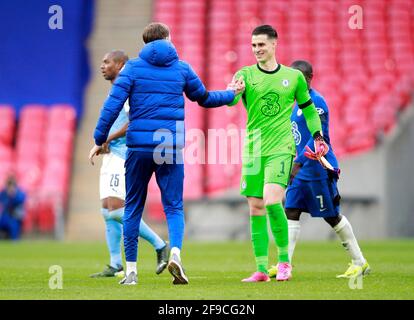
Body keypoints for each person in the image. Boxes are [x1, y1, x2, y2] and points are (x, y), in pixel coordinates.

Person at [90, 23, 244, 285]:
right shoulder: (181, 68)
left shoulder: (133, 69)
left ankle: (131, 272)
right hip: (169, 146)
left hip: (138, 148)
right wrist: (232, 94)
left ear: (145, 41)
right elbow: (204, 98)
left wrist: (99, 137)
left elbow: (113, 104)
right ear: (167, 39)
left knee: (134, 208)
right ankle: (175, 254)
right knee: (173, 207)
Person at [227, 25, 328, 282]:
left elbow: (308, 109)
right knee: (256, 207)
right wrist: (232, 92)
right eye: (253, 45)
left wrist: (318, 137)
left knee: (272, 201)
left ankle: (284, 263)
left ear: (274, 44)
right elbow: (230, 102)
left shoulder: (293, 77)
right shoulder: (245, 74)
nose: (257, 50)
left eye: (261, 44)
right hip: (253, 149)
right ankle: (261, 269)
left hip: (281, 148)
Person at [268, 60, 370, 279]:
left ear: (309, 78)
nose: (295, 81)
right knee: (291, 211)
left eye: (300, 77)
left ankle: (359, 261)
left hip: (318, 168)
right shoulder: (293, 104)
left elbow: (318, 139)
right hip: (300, 169)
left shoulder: (317, 102)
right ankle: (285, 264)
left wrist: (296, 164)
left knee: (331, 215)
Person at [89, 50, 169, 278]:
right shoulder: (114, 90)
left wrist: (108, 138)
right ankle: (116, 264)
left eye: (107, 62)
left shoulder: (127, 89)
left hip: (125, 154)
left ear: (120, 64)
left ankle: (159, 244)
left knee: (116, 209)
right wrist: (106, 142)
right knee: (106, 211)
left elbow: (135, 121)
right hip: (112, 153)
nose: (102, 66)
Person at [0, 175, 26, 240]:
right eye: (9, 185)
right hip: (5, 216)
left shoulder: (20, 193)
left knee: (13, 225)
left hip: (15, 216)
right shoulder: (3, 193)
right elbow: (4, 202)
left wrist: (13, 196)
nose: (11, 187)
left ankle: (14, 240)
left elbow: (20, 201)